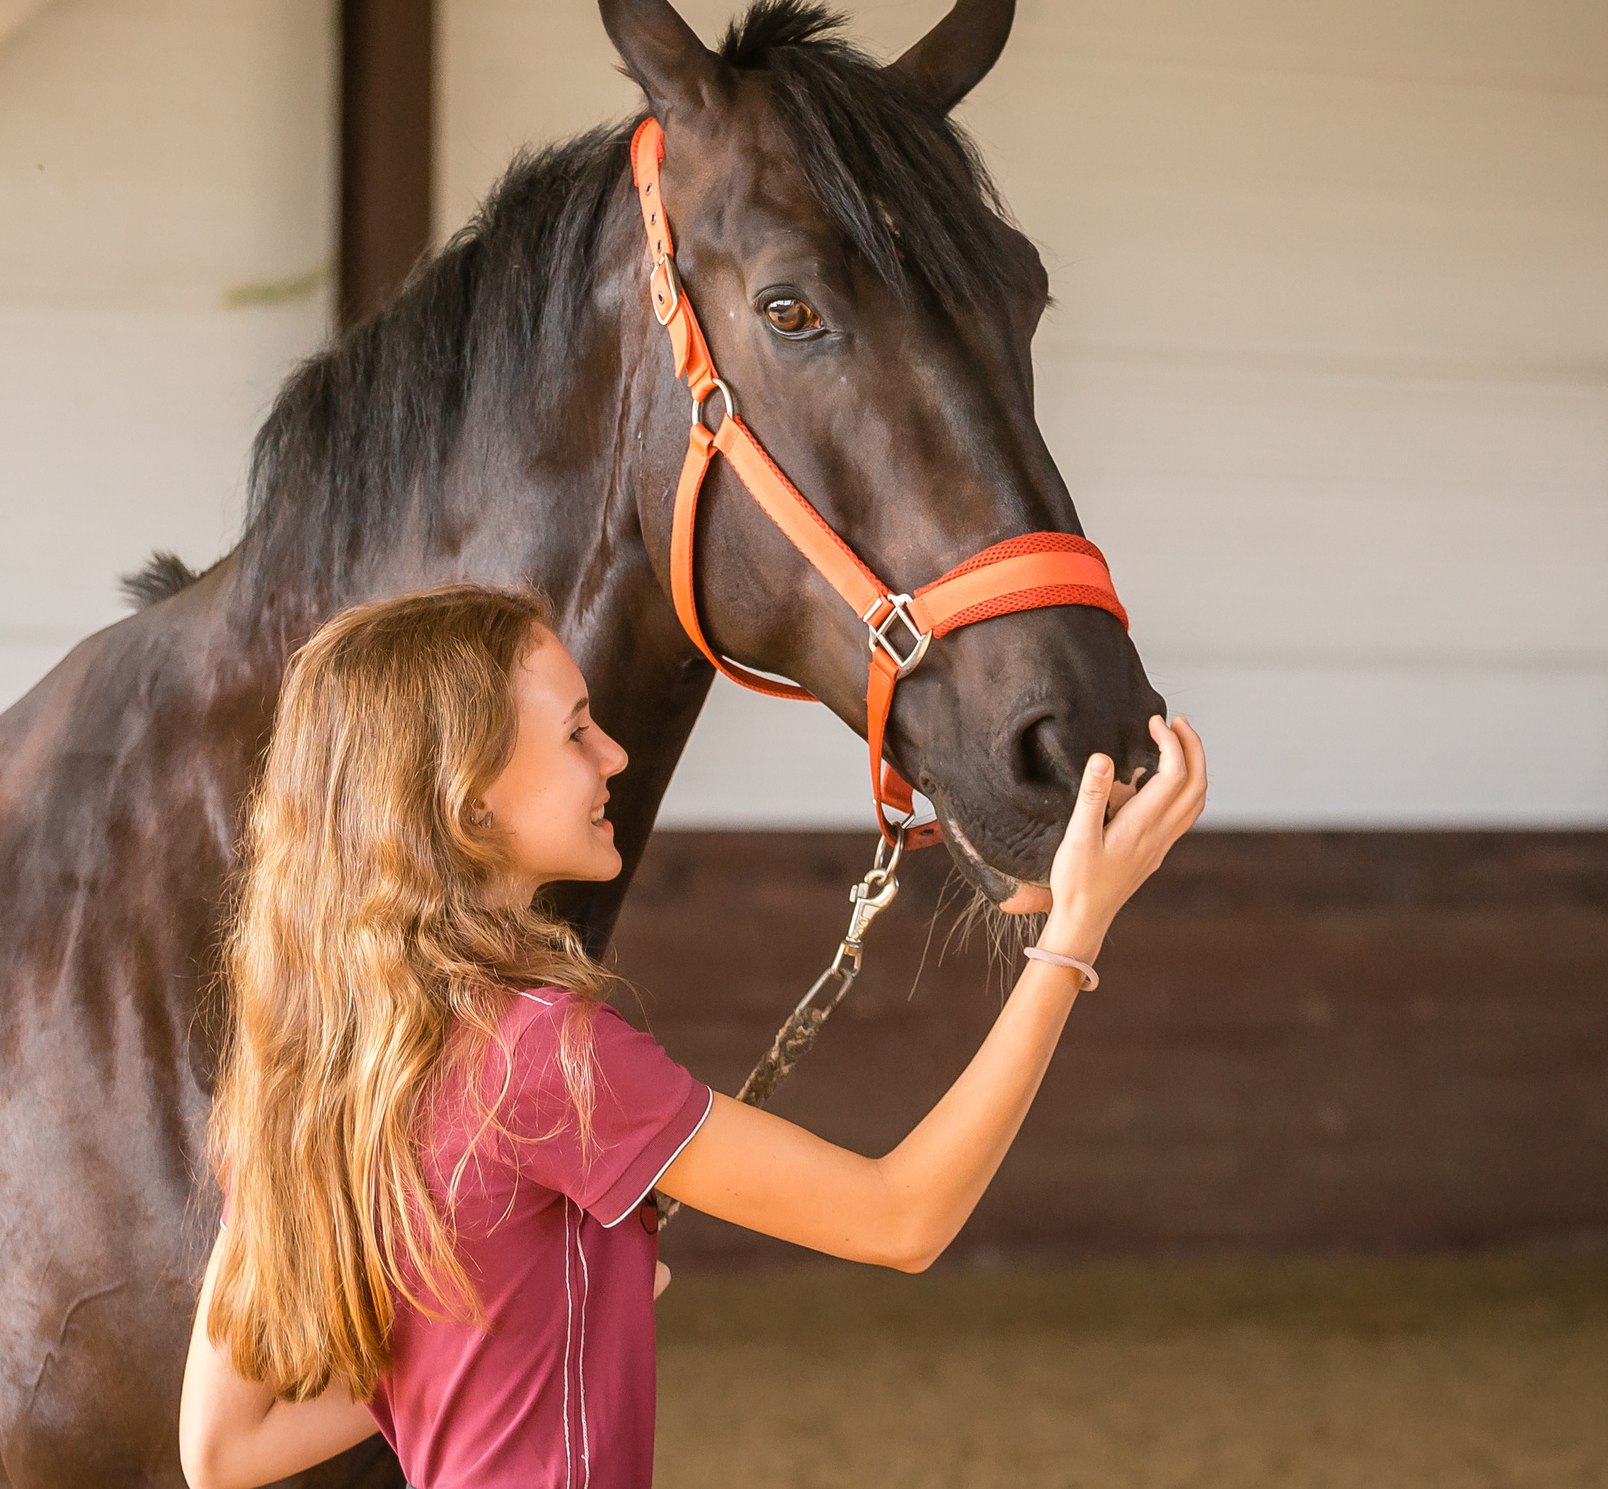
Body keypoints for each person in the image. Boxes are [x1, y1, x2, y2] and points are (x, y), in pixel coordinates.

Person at [180, 583, 1206, 1489]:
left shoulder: (290, 1070)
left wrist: (482, 1345)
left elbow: (221, 1452)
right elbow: (901, 1218)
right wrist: (1072, 936)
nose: (613, 753)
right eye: (577, 730)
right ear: (471, 799)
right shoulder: (542, 1051)